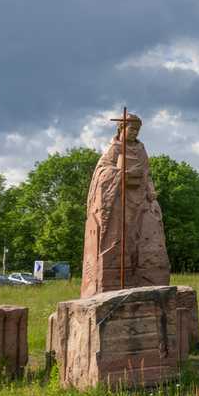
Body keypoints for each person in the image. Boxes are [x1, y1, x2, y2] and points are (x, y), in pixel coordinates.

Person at [80, 113, 170, 298]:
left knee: (148, 231)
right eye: (131, 129)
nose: (134, 133)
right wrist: (120, 174)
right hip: (118, 200)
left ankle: (146, 278)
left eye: (137, 130)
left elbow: (147, 174)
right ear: (121, 128)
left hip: (140, 199)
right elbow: (101, 173)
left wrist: (150, 190)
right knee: (119, 240)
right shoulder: (114, 149)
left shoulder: (141, 149)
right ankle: (110, 282)